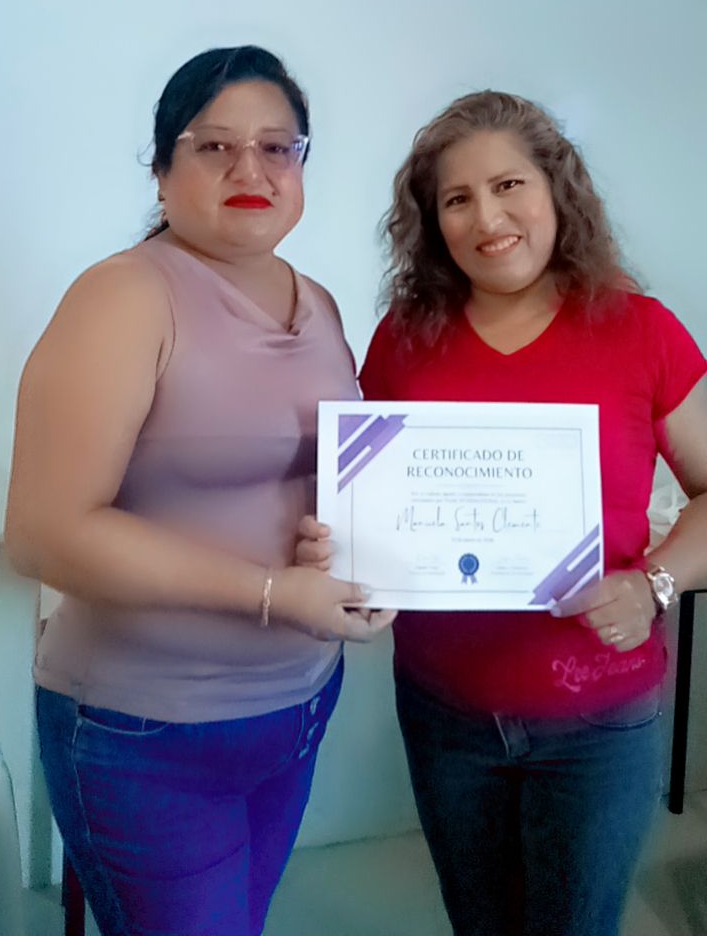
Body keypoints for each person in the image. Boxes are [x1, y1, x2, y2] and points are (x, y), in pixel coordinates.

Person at [299, 90, 707, 936]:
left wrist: (655, 585)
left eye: (509, 185)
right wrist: (339, 554)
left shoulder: (641, 331)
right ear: (433, 222)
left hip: (599, 720)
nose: (487, 218)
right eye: (457, 198)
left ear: (558, 190)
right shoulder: (405, 337)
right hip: (444, 712)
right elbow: (369, 497)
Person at [5, 46, 393, 936]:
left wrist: (359, 552)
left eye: (277, 147)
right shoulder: (124, 297)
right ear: (161, 169)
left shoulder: (320, 303)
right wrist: (273, 591)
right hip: (146, 729)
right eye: (213, 146)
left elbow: (316, 475)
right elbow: (42, 532)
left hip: (299, 705)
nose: (250, 170)